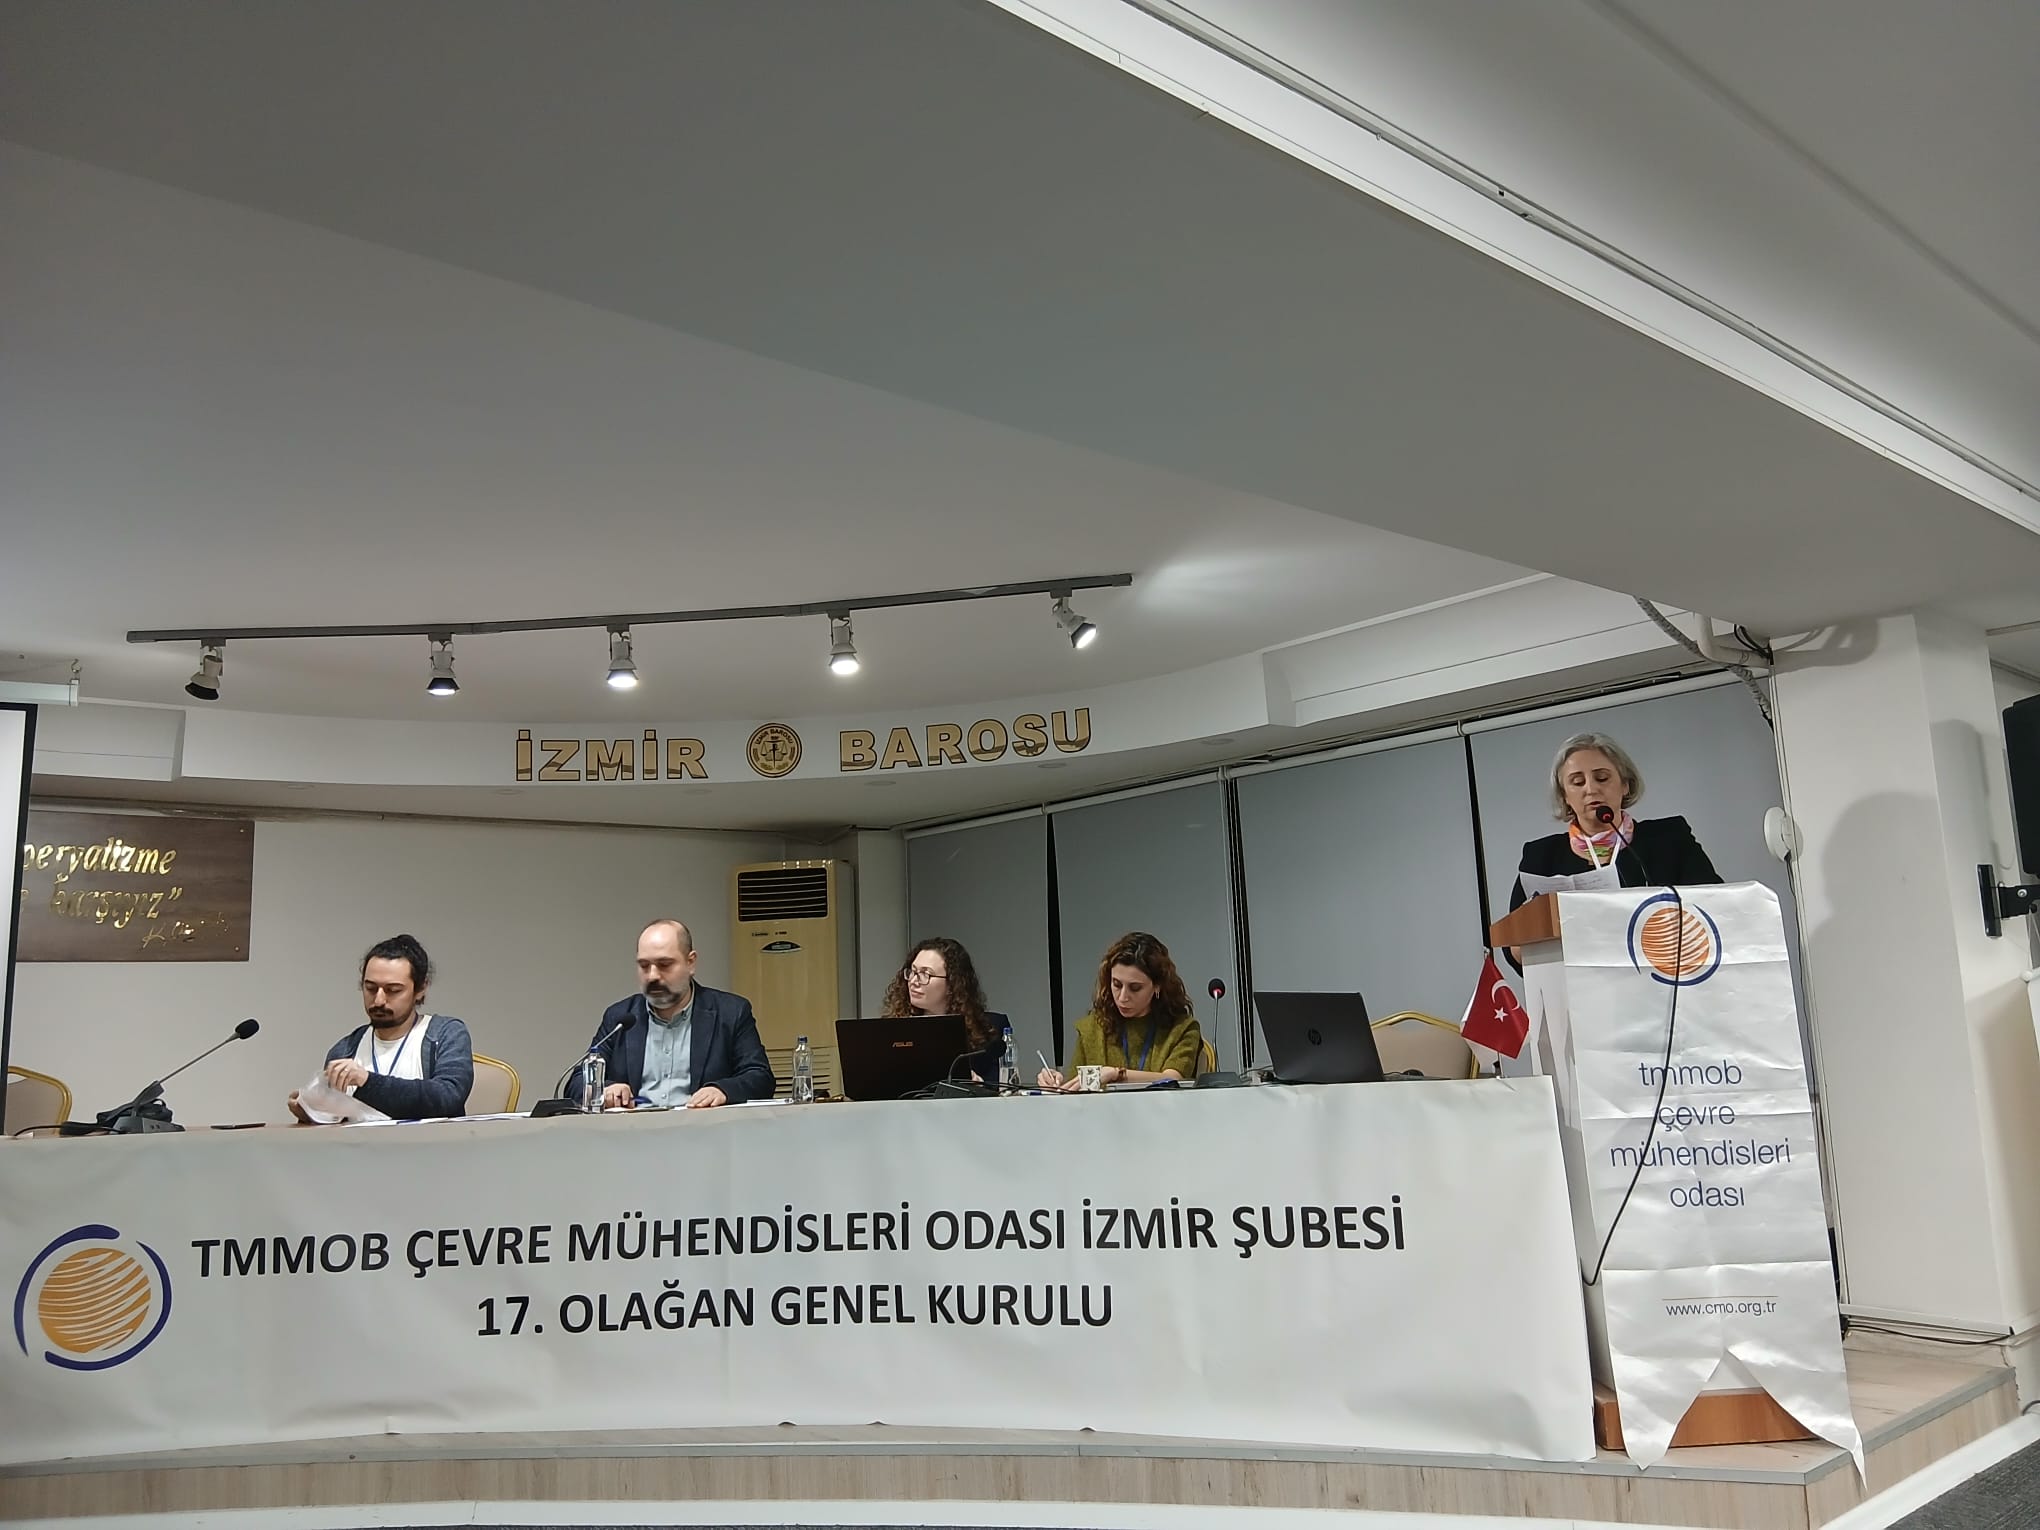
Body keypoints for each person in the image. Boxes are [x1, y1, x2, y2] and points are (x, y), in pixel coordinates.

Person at [1509, 731, 1722, 922]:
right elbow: (1513, 941)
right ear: (1565, 796)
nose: (1591, 789)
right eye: (1578, 782)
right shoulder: (1541, 857)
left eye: (1602, 778)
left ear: (1625, 785)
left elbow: (1716, 906)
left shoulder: (1669, 838)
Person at [576, 918, 773, 1109]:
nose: (653, 976)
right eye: (644, 966)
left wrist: (723, 1090)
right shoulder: (620, 1017)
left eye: (664, 964)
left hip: (703, 1127)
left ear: (691, 963)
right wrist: (606, 1089)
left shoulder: (730, 1012)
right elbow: (576, 1082)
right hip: (635, 1127)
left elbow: (760, 1078)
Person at [288, 934, 474, 1122]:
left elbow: (448, 1098)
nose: (379, 1000)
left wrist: (367, 1081)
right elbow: (336, 1126)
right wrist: (313, 1115)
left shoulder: (445, 1034)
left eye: (393, 990)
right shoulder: (345, 1050)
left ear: (420, 989)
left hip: (430, 1141)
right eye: (370, 988)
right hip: (360, 1142)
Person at [1037, 931, 1205, 1090]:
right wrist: (1058, 1083)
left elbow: (1173, 1080)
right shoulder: (1092, 1028)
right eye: (1116, 984)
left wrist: (1116, 1074)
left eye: (1135, 988)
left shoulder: (1182, 1029)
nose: (1123, 997)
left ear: (1157, 986)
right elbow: (1076, 1089)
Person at [880, 936, 1007, 1084]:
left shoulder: (990, 1028)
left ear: (953, 983)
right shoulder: (891, 1030)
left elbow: (1002, 1087)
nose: (913, 981)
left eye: (925, 974)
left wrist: (979, 1084)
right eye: (913, 972)